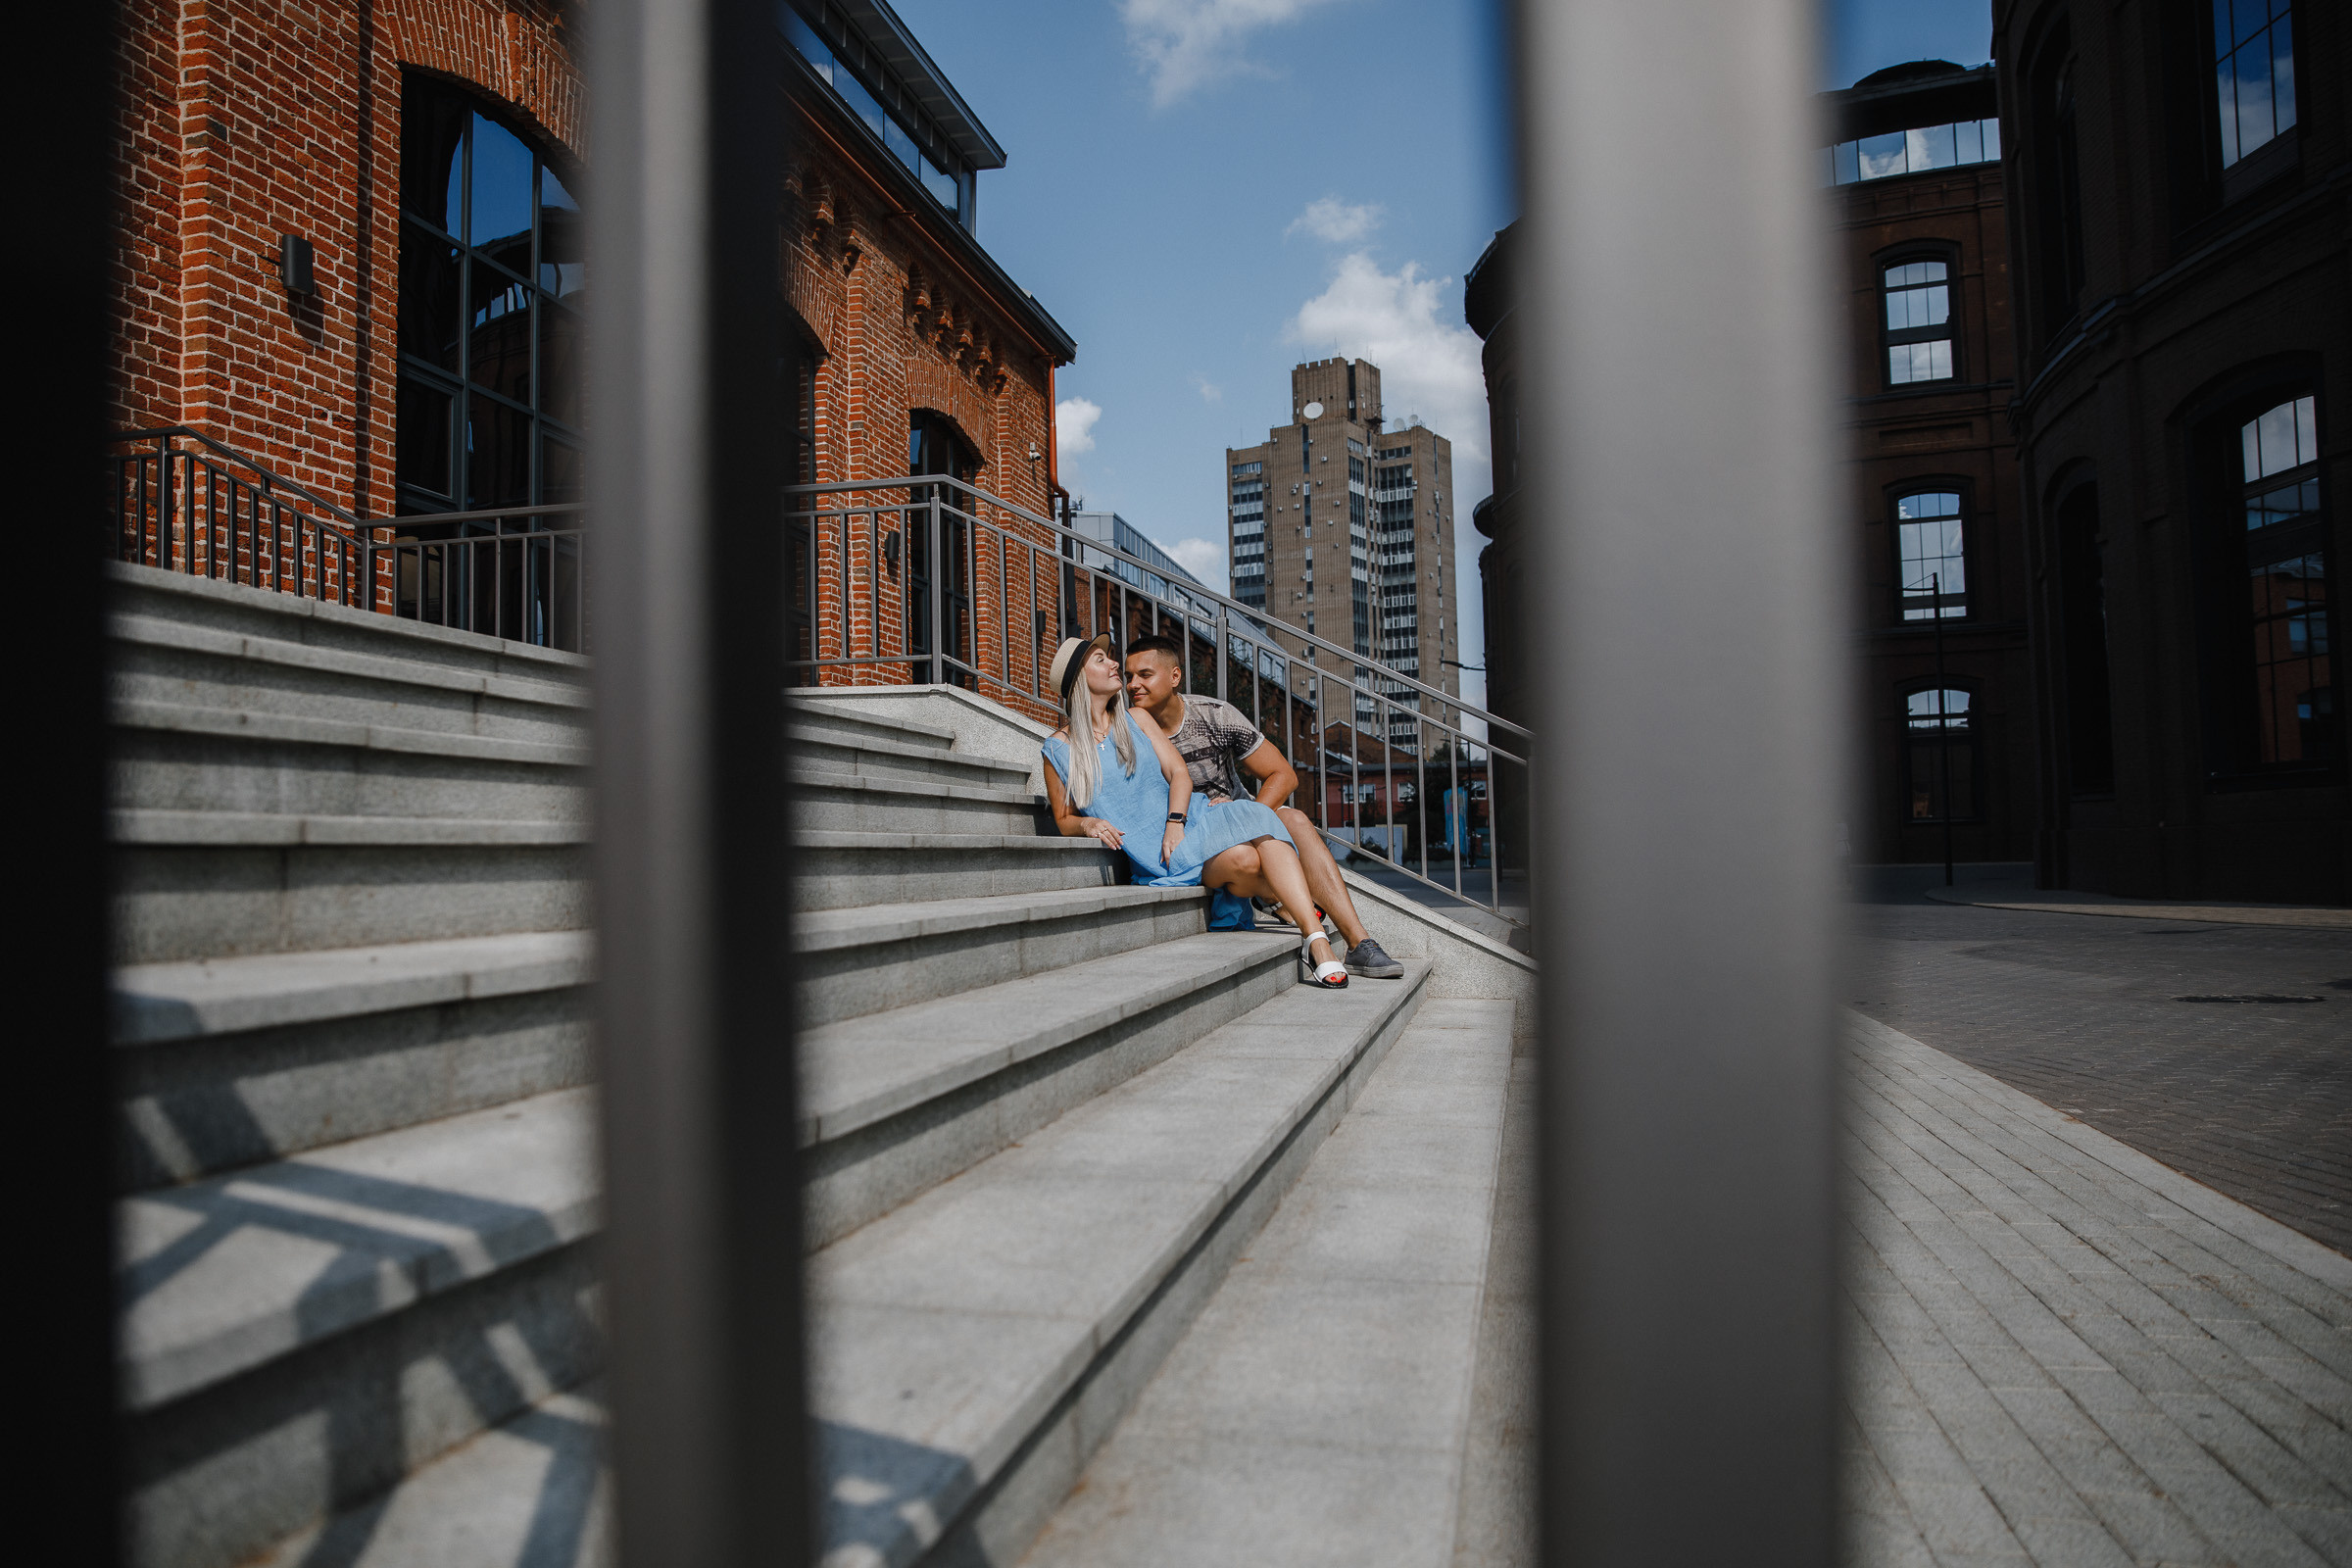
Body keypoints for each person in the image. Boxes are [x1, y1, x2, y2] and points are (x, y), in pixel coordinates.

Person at [1040, 635, 1351, 990]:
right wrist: (1089, 822)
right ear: (1079, 680)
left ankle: (1317, 942)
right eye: (1100, 660)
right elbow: (1064, 820)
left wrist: (1176, 822)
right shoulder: (1058, 749)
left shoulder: (1136, 719)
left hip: (1191, 820)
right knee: (1247, 861)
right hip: (1154, 853)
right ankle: (1285, 899)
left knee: (1264, 816)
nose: (1114, 665)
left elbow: (1179, 775)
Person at [1122, 635, 1404, 979]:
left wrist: (1246, 815)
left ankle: (1359, 943)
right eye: (1128, 676)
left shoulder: (1214, 715)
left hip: (1238, 817)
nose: (1133, 684)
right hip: (1191, 836)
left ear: (1175, 676)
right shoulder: (1129, 732)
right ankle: (1275, 899)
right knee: (1253, 848)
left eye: (1145, 675)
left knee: (1296, 819)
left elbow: (1283, 775)